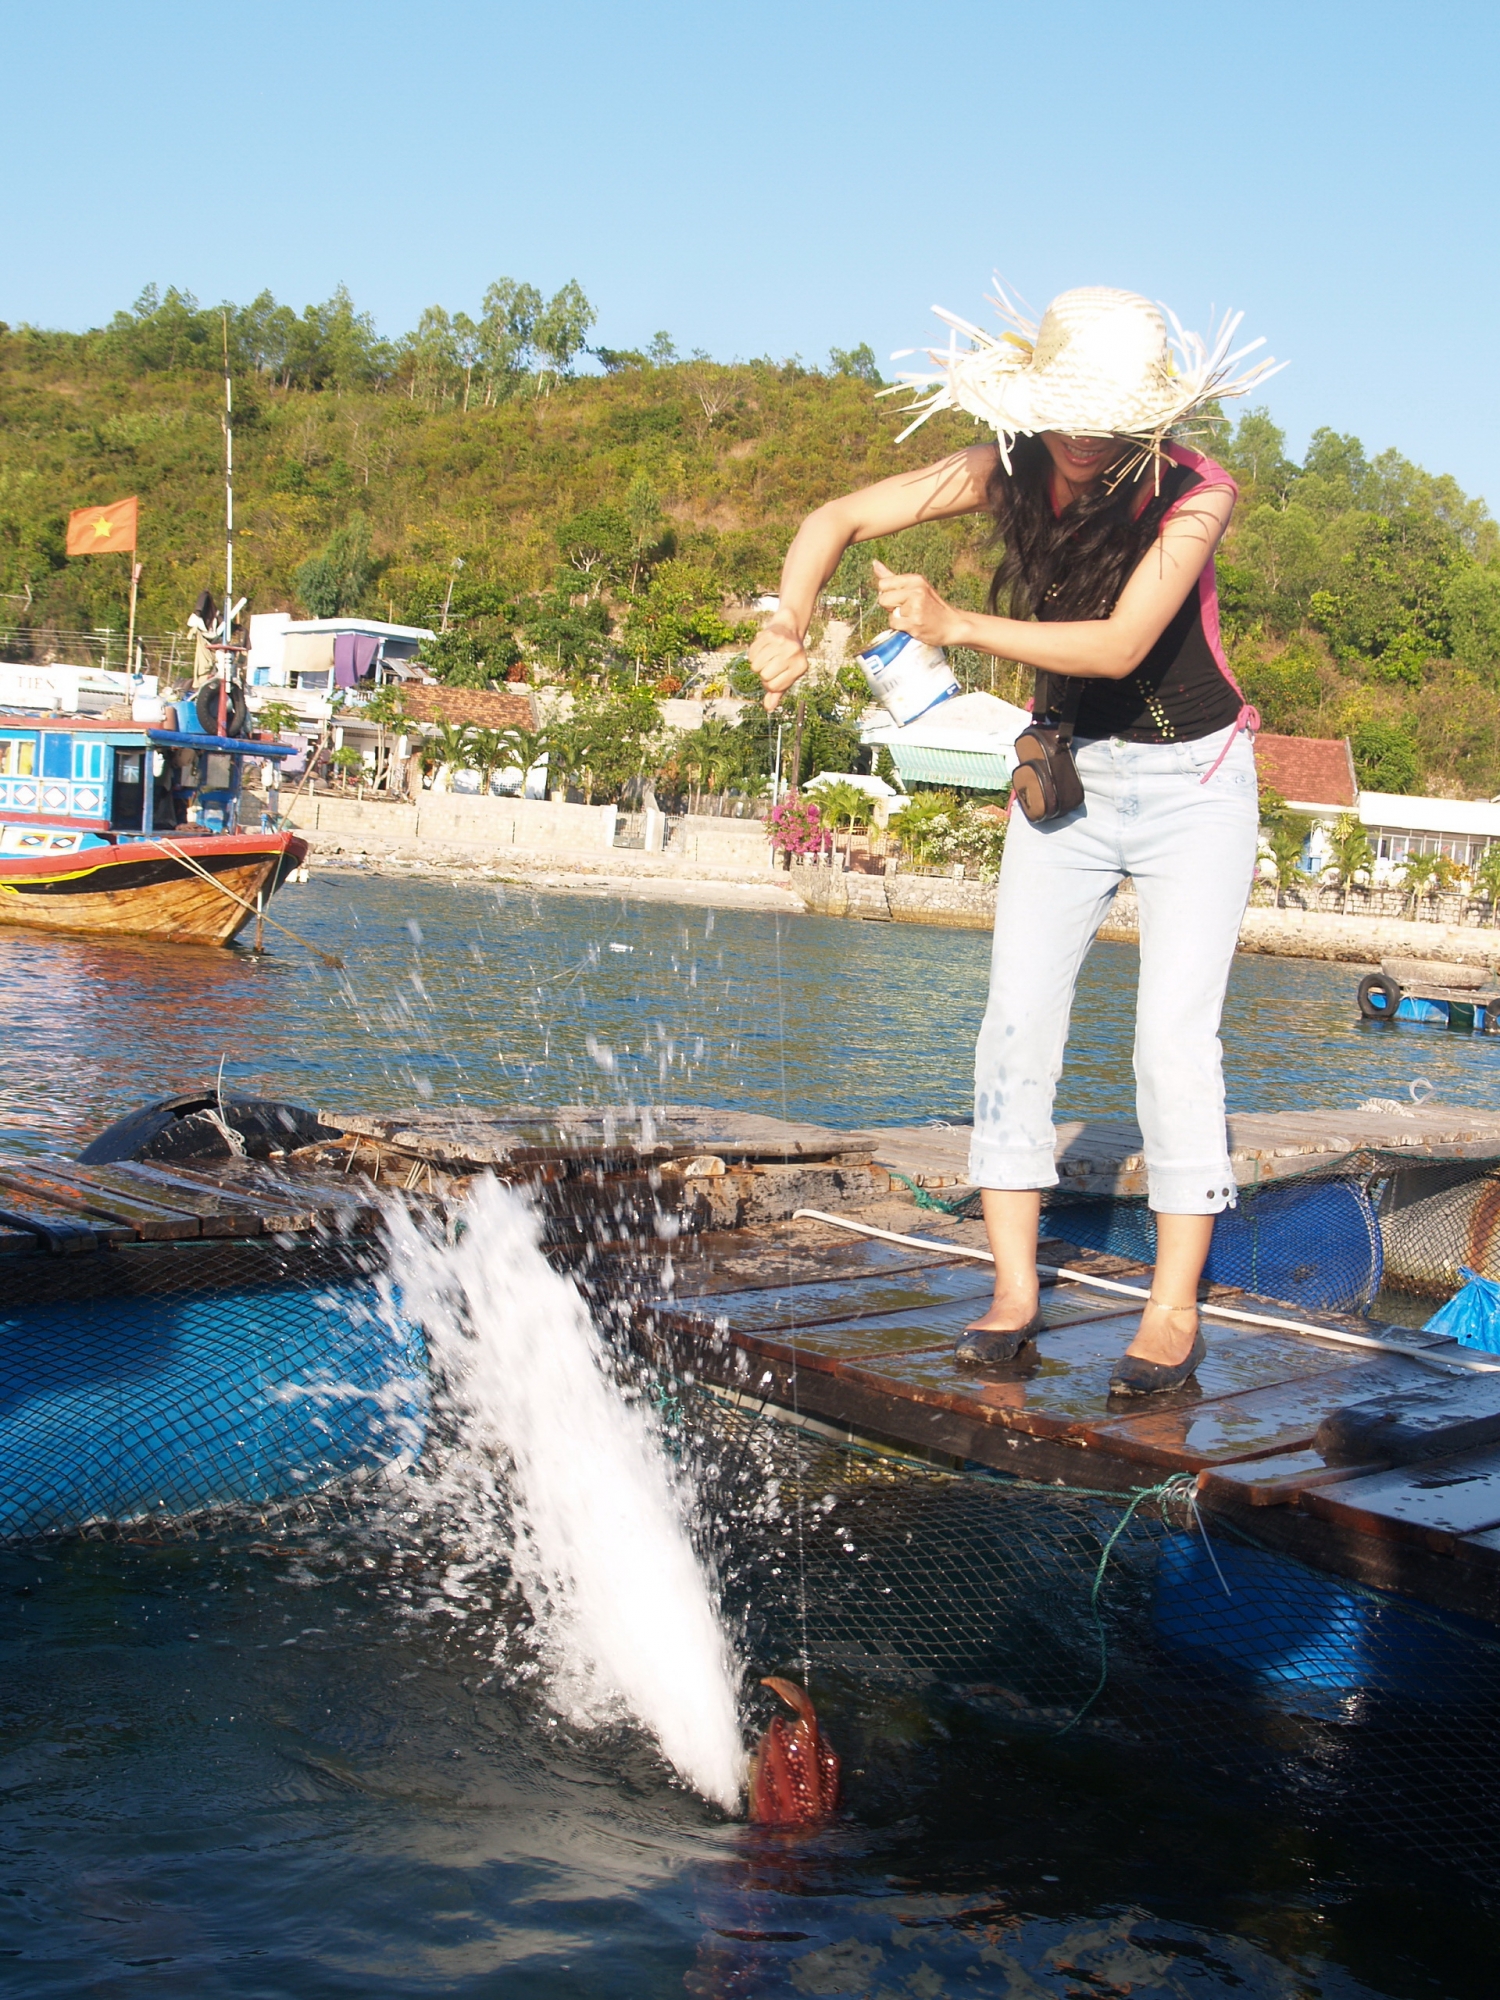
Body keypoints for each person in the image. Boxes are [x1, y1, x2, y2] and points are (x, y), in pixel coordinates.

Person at [751, 286, 1281, 1396]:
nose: (1083, 437)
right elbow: (831, 519)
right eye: (1068, 412)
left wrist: (953, 625)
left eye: (1107, 416)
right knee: (1013, 1028)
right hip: (1067, 779)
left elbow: (1125, 641)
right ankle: (1013, 1291)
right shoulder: (1006, 462)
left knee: (1172, 1044)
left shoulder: (1197, 490)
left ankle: (1172, 1314)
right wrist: (782, 623)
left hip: (1197, 780)